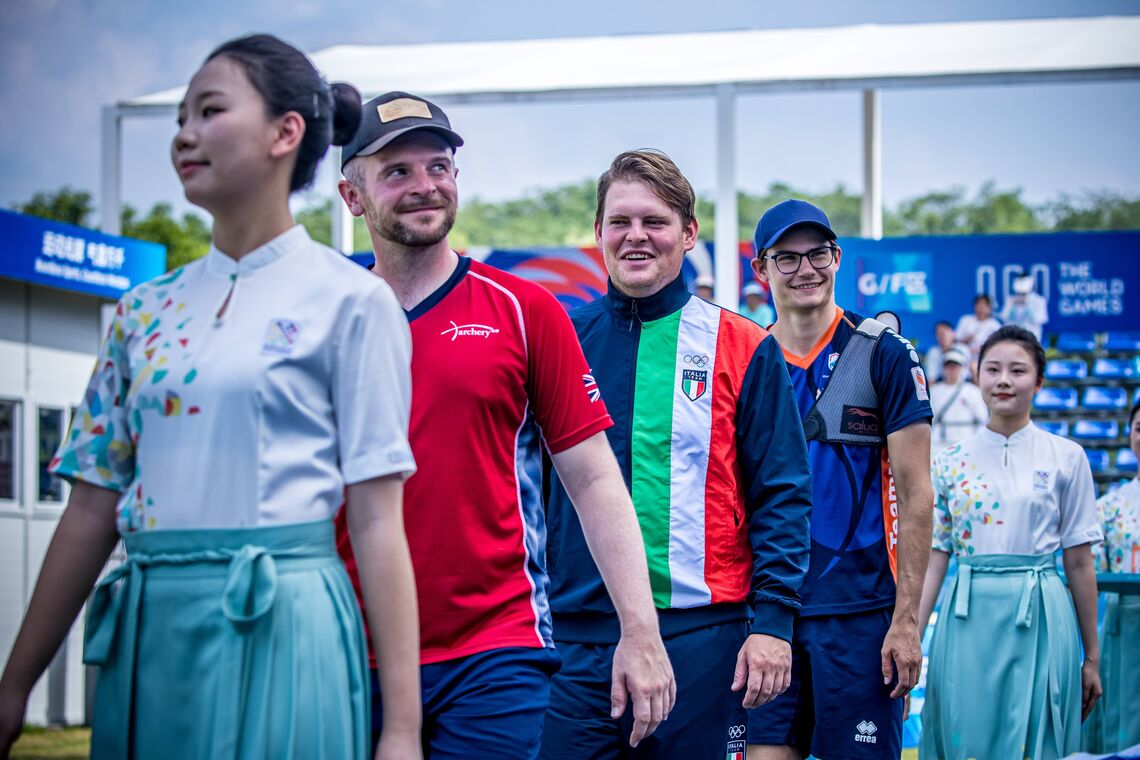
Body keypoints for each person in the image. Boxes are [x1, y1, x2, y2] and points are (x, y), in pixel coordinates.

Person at [0, 35, 422, 760]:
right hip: (150, 631)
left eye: (210, 110)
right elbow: (90, 508)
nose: (185, 134)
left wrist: (402, 730)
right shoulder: (141, 311)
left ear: (286, 133)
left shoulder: (353, 302)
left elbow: (379, 521)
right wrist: (12, 690)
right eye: (179, 119)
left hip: (285, 625)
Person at [335, 93, 673, 758]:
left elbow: (595, 479)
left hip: (495, 650)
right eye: (397, 171)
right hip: (347, 644)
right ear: (352, 196)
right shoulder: (323, 314)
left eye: (439, 166)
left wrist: (640, 631)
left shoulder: (524, 309)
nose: (425, 186)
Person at [540, 150, 812, 760]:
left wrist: (773, 623)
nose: (636, 237)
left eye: (655, 222)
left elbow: (783, 493)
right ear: (599, 234)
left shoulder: (744, 345)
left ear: (688, 234)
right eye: (620, 222)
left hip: (702, 637)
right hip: (576, 640)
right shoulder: (556, 341)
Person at [747, 199, 934, 760]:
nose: (806, 269)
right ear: (760, 269)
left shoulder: (885, 354)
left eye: (818, 253)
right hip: (768, 614)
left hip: (859, 617)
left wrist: (906, 623)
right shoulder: (746, 357)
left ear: (837, 257)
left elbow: (918, 495)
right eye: (787, 258)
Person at [918, 325, 1103, 760]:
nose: (1004, 380)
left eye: (1018, 370)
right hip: (966, 614)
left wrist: (1091, 656)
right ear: (976, 376)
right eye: (993, 369)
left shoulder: (1067, 456)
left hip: (1041, 610)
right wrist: (908, 633)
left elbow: (1079, 562)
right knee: (964, 731)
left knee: (1040, 738)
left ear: (1038, 381)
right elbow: (934, 558)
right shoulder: (947, 461)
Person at [1084, 399, 1140, 753]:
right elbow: (1093, 572)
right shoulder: (1109, 507)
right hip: (1125, 626)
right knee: (1126, 717)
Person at [929, 347, 988, 450]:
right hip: (939, 444)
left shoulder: (973, 392)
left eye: (955, 366)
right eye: (948, 366)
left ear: (962, 368)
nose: (952, 369)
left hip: (966, 442)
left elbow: (982, 418)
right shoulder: (933, 392)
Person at [1000, 270, 1049, 341]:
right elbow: (1004, 317)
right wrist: (1012, 306)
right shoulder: (1010, 299)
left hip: (1031, 337)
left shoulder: (1039, 300)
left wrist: (1028, 306)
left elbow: (1040, 319)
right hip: (1012, 337)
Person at [955, 293, 1001, 366]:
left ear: (990, 308)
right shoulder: (965, 320)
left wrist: (978, 350)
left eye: (984, 305)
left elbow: (998, 346)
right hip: (963, 358)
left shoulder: (995, 325)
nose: (980, 308)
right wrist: (965, 340)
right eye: (978, 305)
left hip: (986, 358)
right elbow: (955, 340)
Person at [923, 320, 969, 384]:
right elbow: (931, 377)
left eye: (943, 333)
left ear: (952, 333)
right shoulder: (933, 351)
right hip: (940, 384)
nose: (941, 337)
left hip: (962, 383)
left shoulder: (963, 348)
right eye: (937, 334)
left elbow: (965, 373)